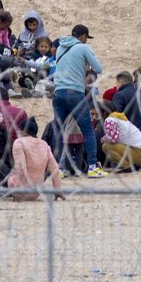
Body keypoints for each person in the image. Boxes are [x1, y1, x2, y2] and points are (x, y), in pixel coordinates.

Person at [51, 25, 108, 178]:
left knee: (58, 130)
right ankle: (92, 166)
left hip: (58, 93)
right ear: (83, 36)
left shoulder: (60, 48)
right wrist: (86, 66)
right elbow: (98, 68)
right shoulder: (82, 47)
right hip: (75, 93)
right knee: (88, 130)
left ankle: (58, 168)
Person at [5, 118, 64, 199]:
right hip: (36, 192)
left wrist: (16, 190)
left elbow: (20, 167)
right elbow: (54, 168)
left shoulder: (19, 142)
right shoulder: (44, 144)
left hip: (21, 190)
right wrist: (57, 189)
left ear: (24, 131)